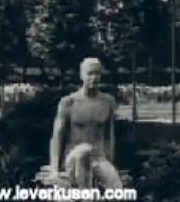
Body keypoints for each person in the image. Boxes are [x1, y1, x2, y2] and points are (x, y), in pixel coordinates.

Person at [48, 57, 123, 189]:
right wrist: (54, 170)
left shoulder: (107, 102)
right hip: (73, 156)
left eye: (97, 73)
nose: (94, 77)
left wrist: (110, 164)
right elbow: (57, 137)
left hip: (98, 158)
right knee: (84, 151)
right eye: (90, 73)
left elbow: (109, 137)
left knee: (117, 189)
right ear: (82, 75)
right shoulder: (69, 102)